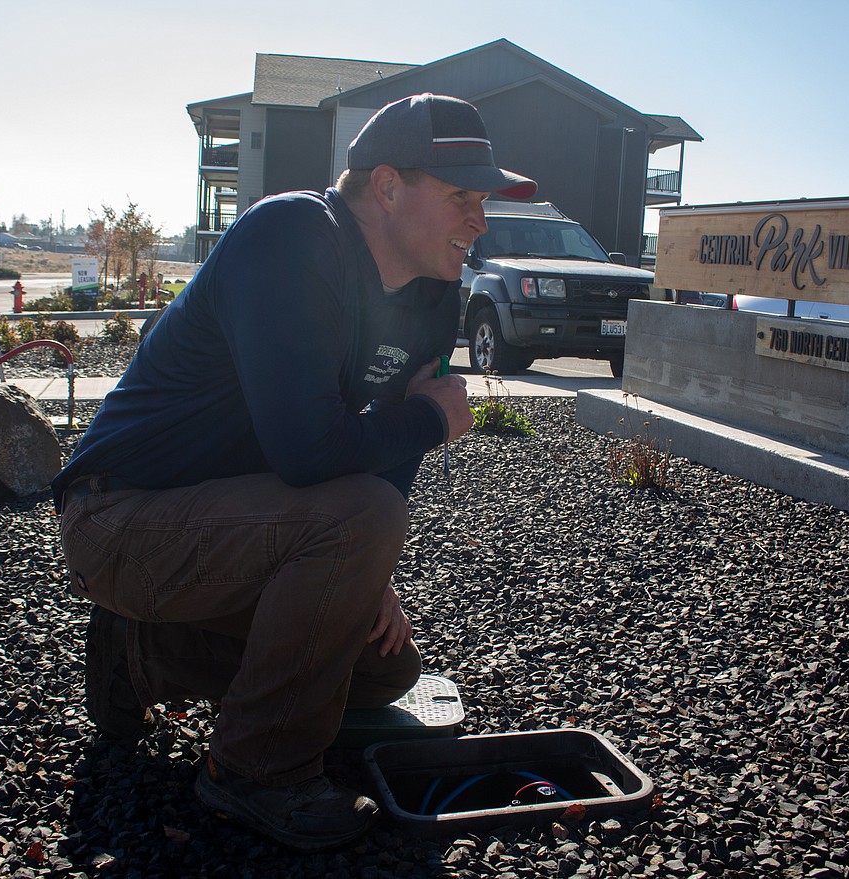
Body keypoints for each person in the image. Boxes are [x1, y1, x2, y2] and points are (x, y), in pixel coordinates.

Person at [52, 93, 536, 852]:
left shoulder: (434, 294)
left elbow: (385, 468)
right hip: (121, 520)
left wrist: (366, 574)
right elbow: (308, 453)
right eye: (461, 198)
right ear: (386, 186)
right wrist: (429, 423)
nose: (480, 221)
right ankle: (254, 769)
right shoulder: (289, 237)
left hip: (240, 526)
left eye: (482, 201)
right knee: (361, 524)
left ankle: (139, 656)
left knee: (384, 670)